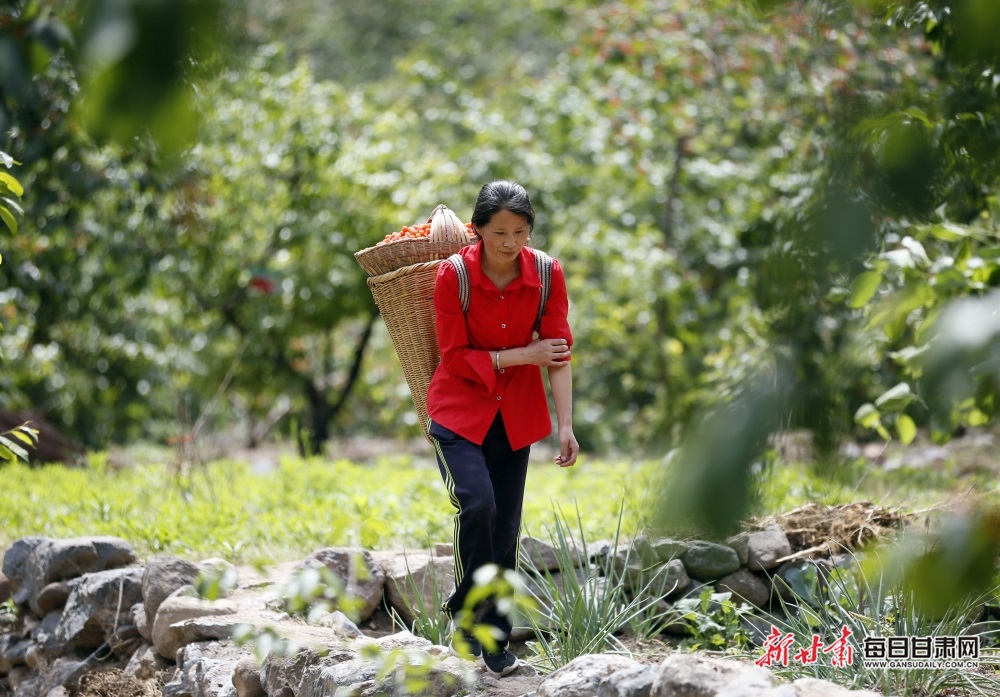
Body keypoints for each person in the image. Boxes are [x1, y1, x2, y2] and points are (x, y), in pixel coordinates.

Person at [426, 179, 579, 676]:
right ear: (477, 231)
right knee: (479, 505)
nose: (510, 242)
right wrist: (521, 355)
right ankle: (469, 608)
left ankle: (492, 638)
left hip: (515, 417)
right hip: (459, 413)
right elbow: (454, 355)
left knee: (506, 528)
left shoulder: (547, 273)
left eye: (520, 231)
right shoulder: (454, 277)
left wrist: (566, 426)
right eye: (498, 233)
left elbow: (557, 355)